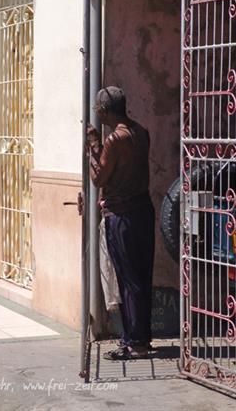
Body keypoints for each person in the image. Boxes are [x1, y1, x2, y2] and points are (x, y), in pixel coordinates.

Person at [87, 86, 155, 360]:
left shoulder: (115, 140)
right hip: (142, 211)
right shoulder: (141, 133)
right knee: (141, 277)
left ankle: (134, 343)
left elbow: (99, 177)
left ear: (104, 111)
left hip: (122, 216)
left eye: (98, 111)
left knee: (128, 280)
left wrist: (93, 146)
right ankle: (140, 338)